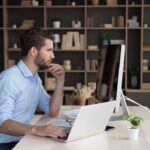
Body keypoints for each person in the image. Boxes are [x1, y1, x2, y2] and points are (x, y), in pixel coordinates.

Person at [0, 28, 66, 149]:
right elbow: (2, 123)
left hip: (21, 139)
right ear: (34, 51)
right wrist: (36, 129)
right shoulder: (9, 79)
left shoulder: (34, 78)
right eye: (49, 50)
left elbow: (52, 112)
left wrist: (60, 80)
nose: (53, 55)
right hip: (4, 144)